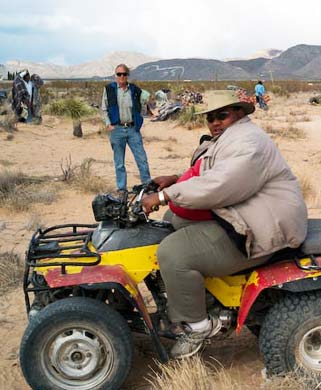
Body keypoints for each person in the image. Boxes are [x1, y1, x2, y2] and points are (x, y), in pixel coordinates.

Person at [140, 90, 308, 359]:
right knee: (173, 220)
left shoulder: (248, 142)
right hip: (248, 213)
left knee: (173, 253)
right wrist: (174, 180)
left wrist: (163, 196)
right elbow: (210, 171)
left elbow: (220, 184)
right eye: (210, 117)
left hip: (267, 227)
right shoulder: (231, 137)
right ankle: (198, 294)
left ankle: (197, 326)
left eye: (222, 115)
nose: (215, 122)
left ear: (239, 113)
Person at [101, 64, 151, 193]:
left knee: (142, 159)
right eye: (119, 74)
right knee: (119, 162)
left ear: (127, 75)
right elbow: (104, 108)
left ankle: (147, 186)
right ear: (115, 75)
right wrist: (108, 124)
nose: (121, 76)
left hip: (132, 129)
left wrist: (147, 100)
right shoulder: (109, 89)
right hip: (116, 129)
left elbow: (145, 100)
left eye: (124, 74)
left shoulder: (134, 90)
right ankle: (122, 189)